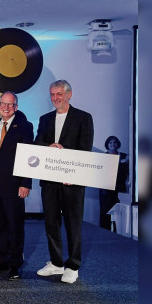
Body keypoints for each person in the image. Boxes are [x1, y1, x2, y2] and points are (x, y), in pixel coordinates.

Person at [35, 80, 94, 284]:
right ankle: (56, 263)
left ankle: (73, 266)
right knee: (51, 223)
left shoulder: (83, 118)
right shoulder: (45, 119)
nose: (55, 98)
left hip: (72, 182)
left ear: (69, 94)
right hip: (49, 181)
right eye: (52, 94)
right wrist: (49, 146)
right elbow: (37, 144)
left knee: (73, 225)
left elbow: (85, 149)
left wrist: (73, 171)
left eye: (59, 94)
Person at [0, 91, 34, 280]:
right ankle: (2, 260)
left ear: (16, 107)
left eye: (10, 104)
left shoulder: (25, 126)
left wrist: (25, 183)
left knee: (15, 226)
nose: (6, 107)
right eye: (3, 104)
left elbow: (29, 156)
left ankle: (15, 264)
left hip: (14, 186)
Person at [99, 135, 129, 231]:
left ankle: (119, 232)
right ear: (107, 144)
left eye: (114, 142)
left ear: (118, 144)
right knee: (105, 212)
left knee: (119, 212)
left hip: (120, 188)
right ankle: (105, 233)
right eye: (110, 142)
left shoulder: (125, 156)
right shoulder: (103, 156)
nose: (112, 144)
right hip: (106, 189)